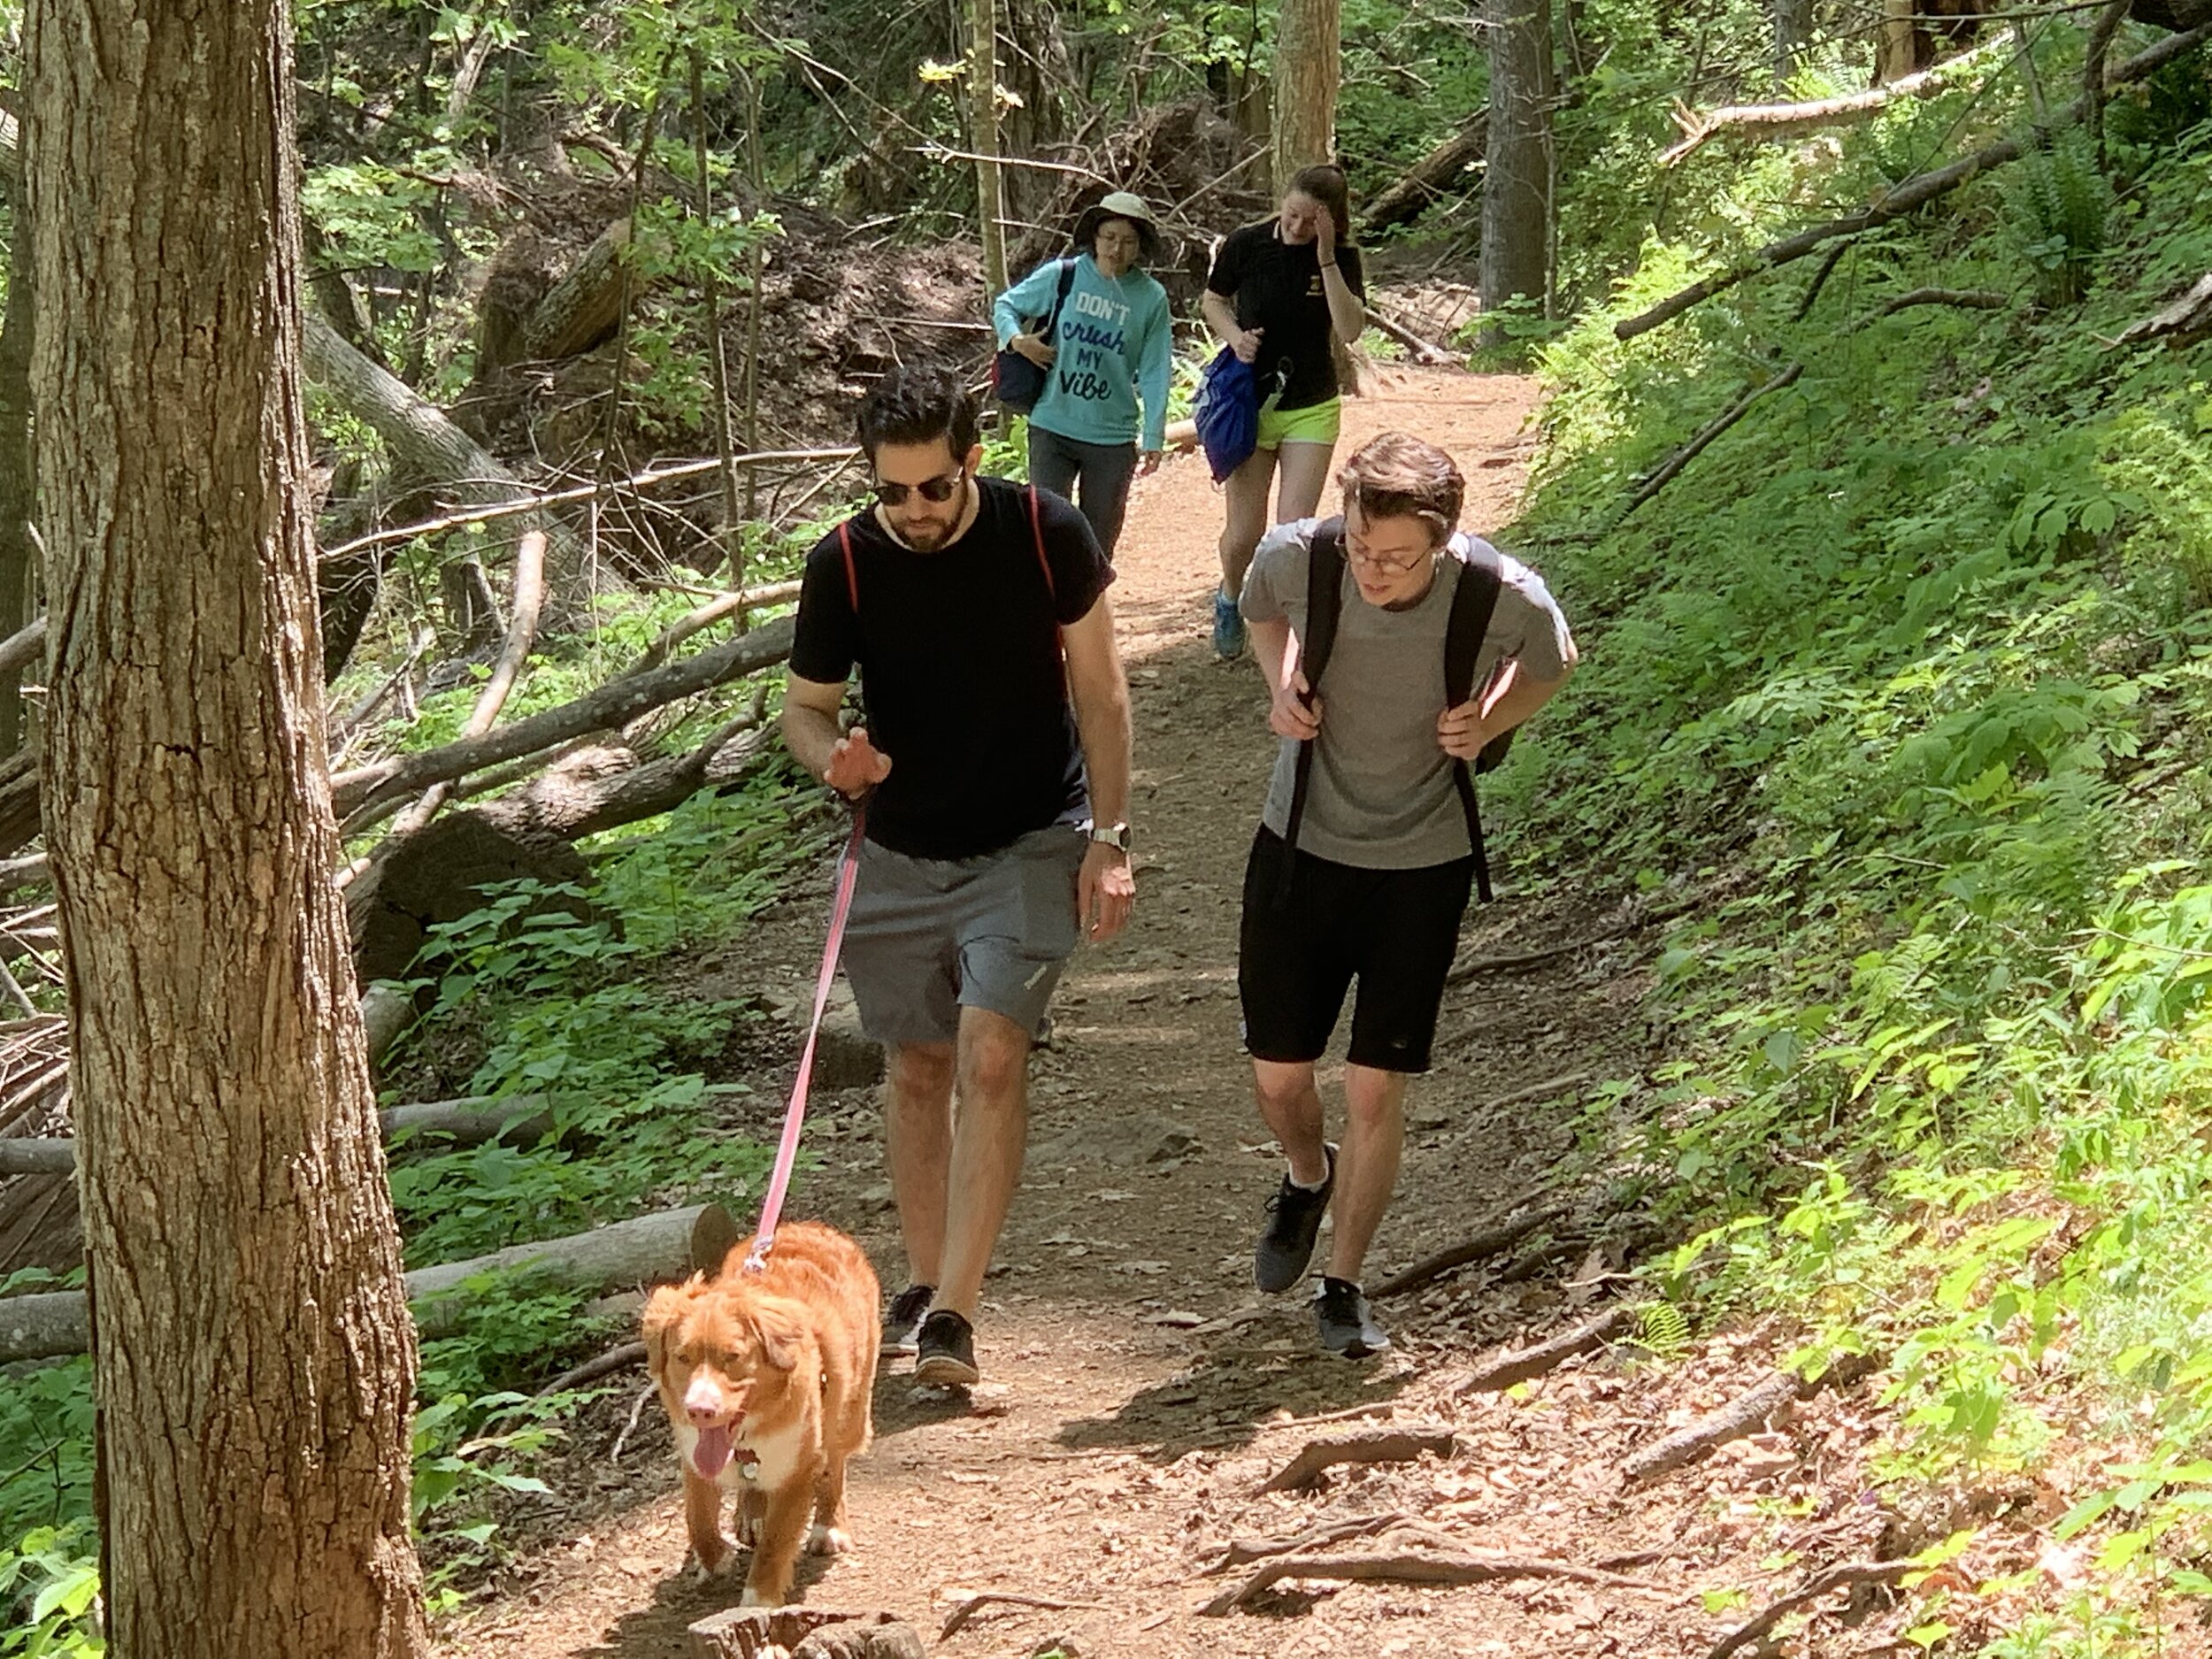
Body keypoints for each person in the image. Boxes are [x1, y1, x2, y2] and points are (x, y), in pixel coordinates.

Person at [780, 366, 1137, 1387]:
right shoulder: (842, 562)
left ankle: (955, 1313)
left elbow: (1103, 695)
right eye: (891, 492)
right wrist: (830, 758)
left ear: (971, 461)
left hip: (1030, 836)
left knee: (989, 1056)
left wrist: (1109, 838)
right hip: (895, 848)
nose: (914, 511)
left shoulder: (1046, 532)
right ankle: (923, 1280)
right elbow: (804, 710)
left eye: (932, 488)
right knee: (918, 1067)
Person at [1234, 433, 1578, 1357]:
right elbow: (1257, 606)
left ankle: (1343, 1287)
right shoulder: (1298, 558)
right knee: (1279, 1074)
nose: (1372, 570)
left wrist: (1488, 720)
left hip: (1421, 867)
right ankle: (1308, 1174)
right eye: (1359, 547)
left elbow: (1553, 661)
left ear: (1444, 541)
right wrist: (1280, 683)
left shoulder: (1497, 593)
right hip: (1299, 846)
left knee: (1376, 1087)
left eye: (1394, 556)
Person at [1202, 163, 1367, 661]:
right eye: (1292, 215)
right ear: (1283, 201)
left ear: (1331, 221)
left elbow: (1351, 329)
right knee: (1244, 535)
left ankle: (1283, 624)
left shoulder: (1340, 257)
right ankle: (1231, 596)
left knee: (1293, 527)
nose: (1296, 228)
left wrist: (1327, 260)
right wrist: (1235, 338)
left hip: (1311, 405)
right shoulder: (1247, 244)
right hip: (1250, 405)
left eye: (1310, 221)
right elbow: (1212, 300)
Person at [994, 190, 1173, 562]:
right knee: (1044, 535)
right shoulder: (1064, 276)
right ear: (1094, 236)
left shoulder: (1151, 298)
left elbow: (1156, 368)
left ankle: (1089, 618)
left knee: (1096, 550)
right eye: (1109, 238)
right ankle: (1047, 619)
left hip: (1112, 438)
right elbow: (1006, 304)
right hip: (1052, 425)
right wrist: (1017, 340)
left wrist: (1154, 434)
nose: (1115, 249)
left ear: (1140, 247)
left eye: (1127, 242)